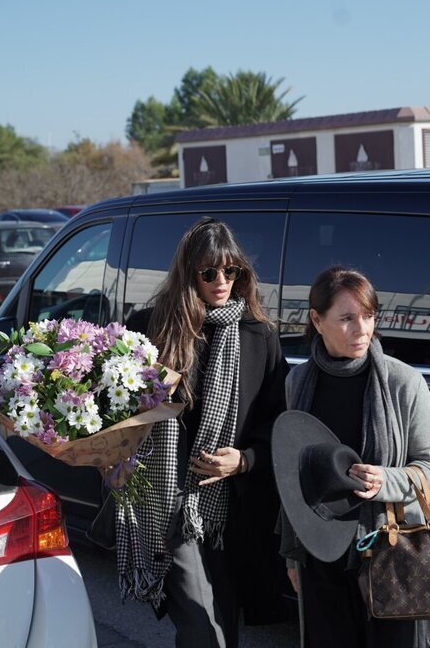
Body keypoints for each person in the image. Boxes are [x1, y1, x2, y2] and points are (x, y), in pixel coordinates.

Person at [114, 217, 289, 648]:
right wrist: (113, 459)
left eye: (232, 272)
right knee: (202, 627)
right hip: (166, 500)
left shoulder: (258, 335)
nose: (222, 281)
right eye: (209, 272)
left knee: (223, 624)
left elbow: (278, 420)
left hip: (230, 510)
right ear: (187, 273)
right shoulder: (149, 327)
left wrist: (245, 459)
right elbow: (114, 410)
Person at [280, 266, 430, 648]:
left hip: (389, 549)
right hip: (318, 550)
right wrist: (293, 558)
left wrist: (384, 480)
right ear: (316, 320)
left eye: (369, 316)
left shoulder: (402, 381)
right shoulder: (298, 382)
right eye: (347, 318)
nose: (362, 329)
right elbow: (293, 477)